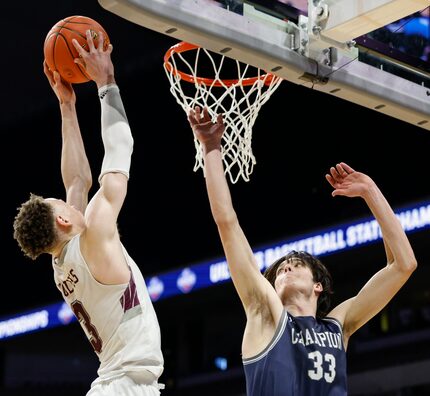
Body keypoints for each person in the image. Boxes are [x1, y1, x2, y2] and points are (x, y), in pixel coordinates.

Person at [187, 106, 417, 396]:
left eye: (295, 264)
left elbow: (404, 264)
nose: (285, 267)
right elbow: (227, 223)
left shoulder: (338, 326)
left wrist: (370, 191)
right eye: (281, 268)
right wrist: (211, 148)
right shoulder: (265, 314)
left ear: (317, 285)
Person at [13, 30, 164, 395]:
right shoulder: (93, 232)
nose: (68, 198)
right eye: (60, 202)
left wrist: (67, 106)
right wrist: (105, 82)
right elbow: (119, 151)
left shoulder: (63, 261)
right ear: (63, 219)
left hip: (119, 384)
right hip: (124, 386)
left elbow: (78, 180)